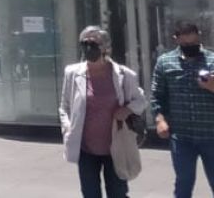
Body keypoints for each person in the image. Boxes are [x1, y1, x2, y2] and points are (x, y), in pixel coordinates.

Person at [59, 25, 146, 198]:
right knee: (90, 193)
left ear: (105, 48)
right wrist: (68, 128)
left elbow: (141, 100)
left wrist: (127, 110)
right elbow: (65, 106)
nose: (89, 48)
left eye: (94, 44)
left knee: (117, 192)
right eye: (85, 43)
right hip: (85, 148)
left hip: (115, 146)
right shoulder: (72, 73)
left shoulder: (124, 74)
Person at [151, 20, 214, 198]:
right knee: (184, 183)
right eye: (186, 44)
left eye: (193, 43)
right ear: (176, 39)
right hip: (182, 136)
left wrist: (211, 86)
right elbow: (157, 95)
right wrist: (160, 120)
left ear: (199, 38)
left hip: (211, 134)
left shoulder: (212, 60)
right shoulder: (165, 62)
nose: (190, 47)